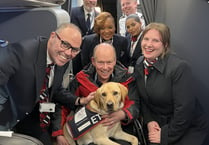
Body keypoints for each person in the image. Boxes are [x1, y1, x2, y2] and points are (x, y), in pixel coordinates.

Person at [0, 23, 94, 145]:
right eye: (65, 44)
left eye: (74, 49)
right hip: (8, 116)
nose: (68, 53)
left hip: (33, 116)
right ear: (53, 36)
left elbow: (55, 88)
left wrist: (79, 101)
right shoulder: (22, 52)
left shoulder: (61, 59)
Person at [134, 22, 209, 145]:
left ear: (165, 45)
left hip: (187, 128)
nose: (148, 44)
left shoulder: (179, 68)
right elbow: (143, 98)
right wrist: (150, 121)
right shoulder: (140, 63)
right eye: (146, 39)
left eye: (155, 40)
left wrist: (165, 135)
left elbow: (184, 110)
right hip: (159, 124)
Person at [52, 43, 140, 145]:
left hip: (121, 126)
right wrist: (59, 133)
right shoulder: (81, 79)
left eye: (109, 62)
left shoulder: (127, 78)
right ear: (93, 61)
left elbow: (135, 103)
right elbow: (63, 105)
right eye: (101, 62)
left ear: (115, 61)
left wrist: (123, 114)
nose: (105, 67)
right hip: (86, 134)